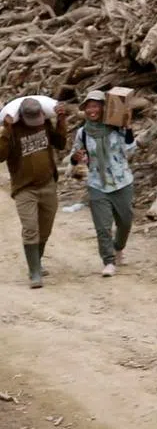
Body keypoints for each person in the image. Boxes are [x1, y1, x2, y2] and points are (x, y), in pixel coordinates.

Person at [1, 98, 68, 288]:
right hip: (24, 189)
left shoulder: (45, 123)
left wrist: (62, 121)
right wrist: (6, 131)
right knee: (31, 229)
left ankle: (36, 261)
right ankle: (34, 272)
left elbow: (61, 143)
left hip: (47, 185)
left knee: (45, 229)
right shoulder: (13, 130)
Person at [70, 89, 136, 277]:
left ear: (104, 108)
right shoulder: (83, 133)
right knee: (102, 227)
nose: (92, 110)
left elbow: (131, 151)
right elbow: (75, 158)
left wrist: (129, 128)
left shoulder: (117, 127)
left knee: (125, 221)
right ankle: (108, 261)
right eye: (88, 107)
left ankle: (118, 247)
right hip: (97, 184)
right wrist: (76, 158)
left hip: (122, 182)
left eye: (96, 106)